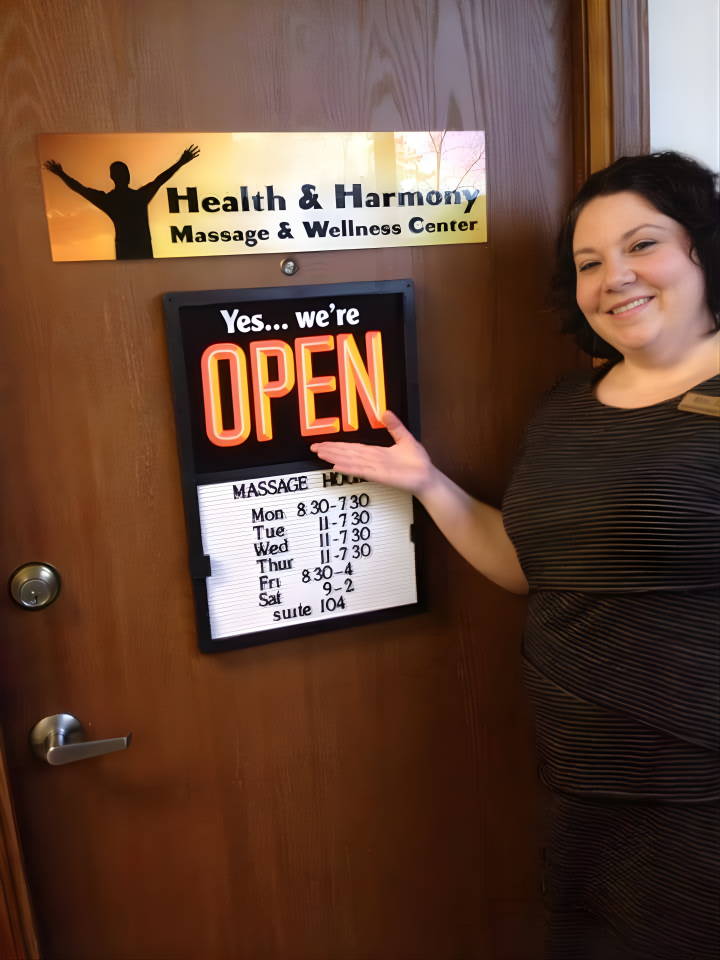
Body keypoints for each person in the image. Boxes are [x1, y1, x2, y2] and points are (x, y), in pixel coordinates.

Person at [312, 152, 719, 959]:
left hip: (703, 788)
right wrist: (428, 483)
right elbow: (526, 568)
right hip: (582, 780)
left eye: (644, 245)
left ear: (702, 250)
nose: (616, 278)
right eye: (589, 262)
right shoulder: (569, 404)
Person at [43, 144, 200, 259]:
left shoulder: (131, 197)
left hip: (139, 251)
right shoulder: (123, 199)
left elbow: (159, 180)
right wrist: (60, 173)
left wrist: (181, 162)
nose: (125, 175)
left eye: (125, 172)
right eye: (121, 172)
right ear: (113, 177)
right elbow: (79, 188)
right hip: (130, 251)